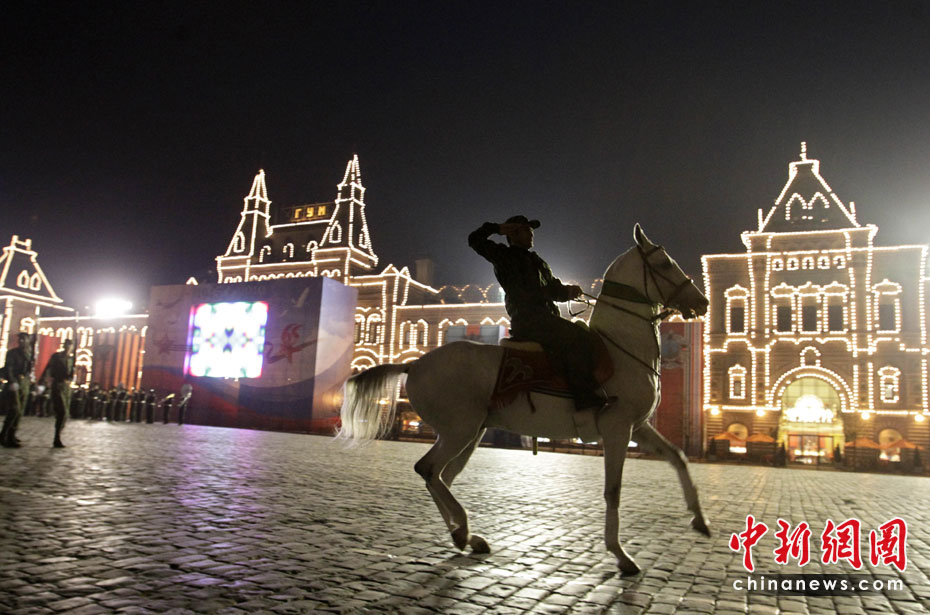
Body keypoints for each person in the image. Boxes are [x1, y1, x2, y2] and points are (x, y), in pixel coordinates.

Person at [468, 216, 608, 410]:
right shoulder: (504, 256)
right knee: (579, 338)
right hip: (528, 320)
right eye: (527, 230)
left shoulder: (538, 262)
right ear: (513, 234)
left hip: (546, 319)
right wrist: (497, 228)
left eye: (531, 230)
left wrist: (568, 291)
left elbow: (553, 289)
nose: (531, 234)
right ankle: (583, 397)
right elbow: (474, 240)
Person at [1, 332, 35, 447]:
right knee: (15, 409)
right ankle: (4, 435)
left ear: (28, 341)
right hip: (15, 382)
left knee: (20, 411)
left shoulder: (29, 353)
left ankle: (12, 434)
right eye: (20, 339)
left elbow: (29, 369)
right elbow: (9, 368)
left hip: (24, 383)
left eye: (23, 339)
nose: (21, 341)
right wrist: (12, 382)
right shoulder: (12, 353)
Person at [40, 339, 75, 448]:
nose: (68, 347)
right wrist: (43, 381)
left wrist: (72, 377)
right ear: (64, 346)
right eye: (67, 345)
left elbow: (72, 371)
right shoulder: (57, 356)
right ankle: (57, 437)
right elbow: (48, 368)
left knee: (65, 414)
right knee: (62, 412)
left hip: (66, 387)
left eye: (70, 345)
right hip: (58, 385)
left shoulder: (71, 359)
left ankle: (58, 436)